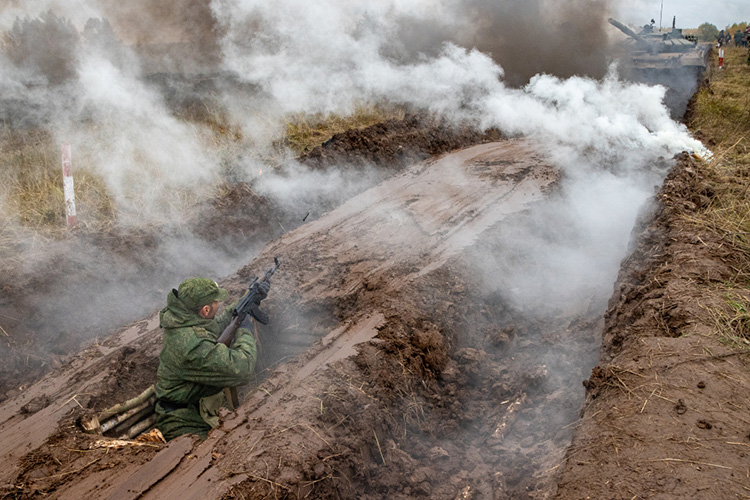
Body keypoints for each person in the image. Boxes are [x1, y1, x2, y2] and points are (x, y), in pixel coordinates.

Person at [154, 277, 267, 441]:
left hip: (200, 405)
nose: (219, 304)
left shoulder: (185, 319)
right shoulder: (192, 344)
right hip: (186, 422)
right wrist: (244, 331)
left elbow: (218, 325)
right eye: (216, 302)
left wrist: (247, 300)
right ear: (205, 310)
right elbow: (242, 369)